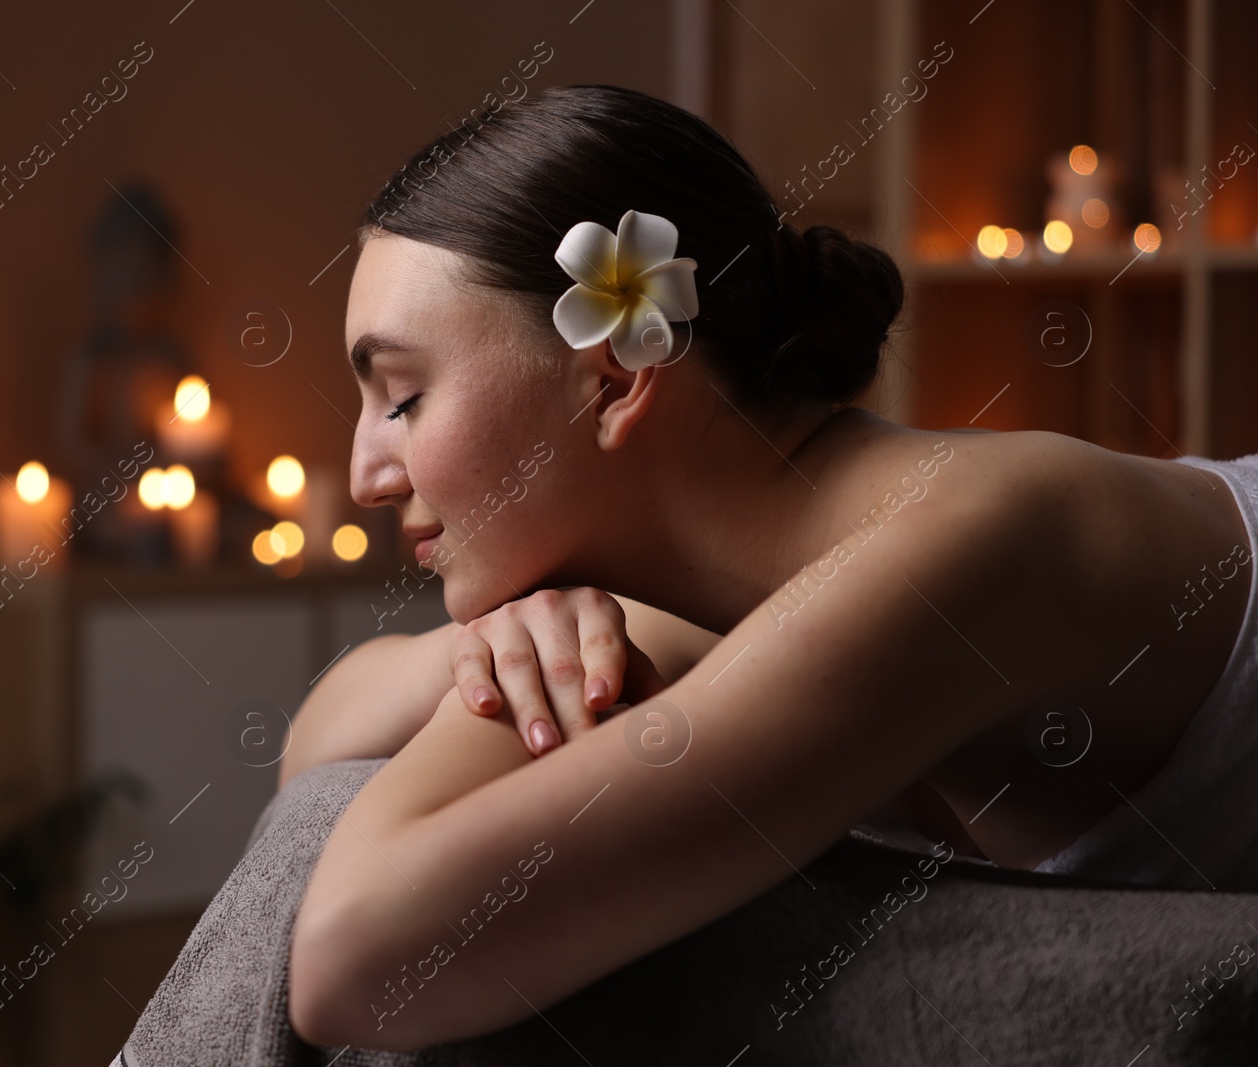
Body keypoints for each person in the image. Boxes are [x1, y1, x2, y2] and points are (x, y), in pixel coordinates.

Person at [280, 84, 1258, 1050]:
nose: (366, 473)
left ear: (615, 381)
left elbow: (351, 962)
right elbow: (313, 755)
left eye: (402, 397)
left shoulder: (969, 540)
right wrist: (478, 647)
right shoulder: (676, 599)